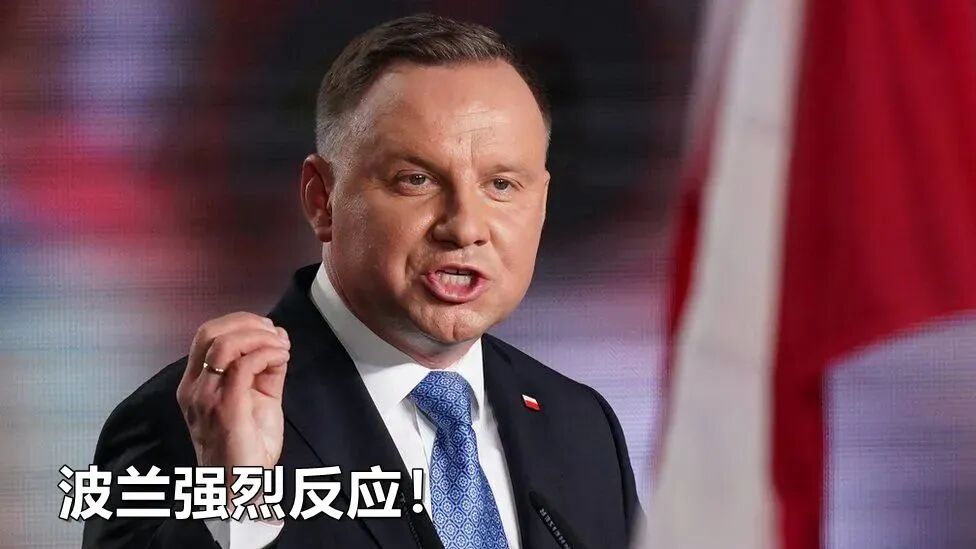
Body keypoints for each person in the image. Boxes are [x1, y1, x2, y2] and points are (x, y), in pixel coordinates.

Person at [83, 13, 639, 549]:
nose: (466, 227)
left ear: (542, 202)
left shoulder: (581, 426)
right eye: (416, 179)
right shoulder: (185, 424)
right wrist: (235, 511)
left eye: (501, 185)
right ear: (321, 199)